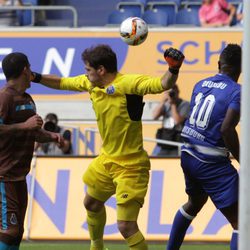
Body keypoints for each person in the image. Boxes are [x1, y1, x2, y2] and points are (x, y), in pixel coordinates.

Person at [31, 44, 185, 250]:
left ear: (101, 70)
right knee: (91, 203)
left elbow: (162, 83)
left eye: (88, 69)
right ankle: (97, 246)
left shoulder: (129, 83)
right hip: (106, 160)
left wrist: (173, 68)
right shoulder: (90, 83)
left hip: (131, 166)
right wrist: (35, 77)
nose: (85, 74)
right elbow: (61, 82)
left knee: (126, 226)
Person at [167, 44, 241, 250]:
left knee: (194, 203)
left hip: (188, 153)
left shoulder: (200, 84)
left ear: (219, 65)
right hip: (210, 161)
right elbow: (227, 129)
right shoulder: (237, 92)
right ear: (240, 69)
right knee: (242, 222)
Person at [0, 52, 64, 250]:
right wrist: (25, 126)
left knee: (16, 232)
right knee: (9, 231)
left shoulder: (28, 99)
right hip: (4, 176)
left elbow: (33, 132)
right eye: (30, 67)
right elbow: (23, 127)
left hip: (19, 176)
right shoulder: (4, 98)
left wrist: (49, 136)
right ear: (25, 70)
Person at [152, 84, 189, 156]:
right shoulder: (166, 104)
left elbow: (177, 121)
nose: (171, 95)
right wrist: (162, 101)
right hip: (165, 139)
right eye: (169, 93)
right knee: (157, 158)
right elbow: (154, 116)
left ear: (177, 92)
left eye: (172, 93)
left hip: (177, 140)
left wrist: (173, 104)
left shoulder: (185, 104)